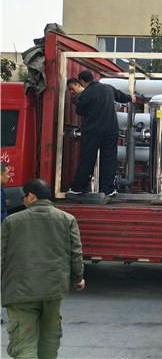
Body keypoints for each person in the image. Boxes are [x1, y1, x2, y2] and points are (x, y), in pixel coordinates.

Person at [1, 179, 85, 358]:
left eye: (23, 197)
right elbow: (75, 253)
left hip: (20, 290)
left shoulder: (11, 221)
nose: (23, 200)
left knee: (23, 341)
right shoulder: (67, 219)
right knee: (49, 336)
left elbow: (1, 255)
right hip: (53, 290)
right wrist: (78, 278)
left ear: (31, 196)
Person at [68, 70, 136, 196]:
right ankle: (108, 189)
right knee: (109, 160)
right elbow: (121, 97)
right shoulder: (108, 88)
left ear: (82, 81)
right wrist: (131, 97)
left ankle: (78, 187)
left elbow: (80, 111)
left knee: (87, 159)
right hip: (111, 130)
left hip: (93, 131)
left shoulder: (86, 93)